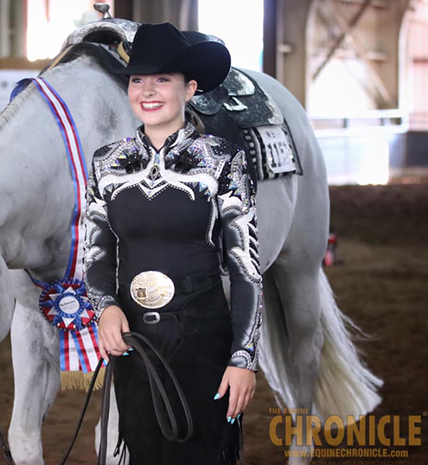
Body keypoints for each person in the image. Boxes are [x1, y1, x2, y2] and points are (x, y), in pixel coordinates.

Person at [84, 23, 262, 464]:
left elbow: (246, 270)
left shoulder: (223, 160)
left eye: (162, 79)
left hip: (204, 345)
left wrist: (243, 358)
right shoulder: (106, 164)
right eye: (138, 80)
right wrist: (105, 306)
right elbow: (97, 255)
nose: (148, 91)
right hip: (134, 345)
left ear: (190, 87)